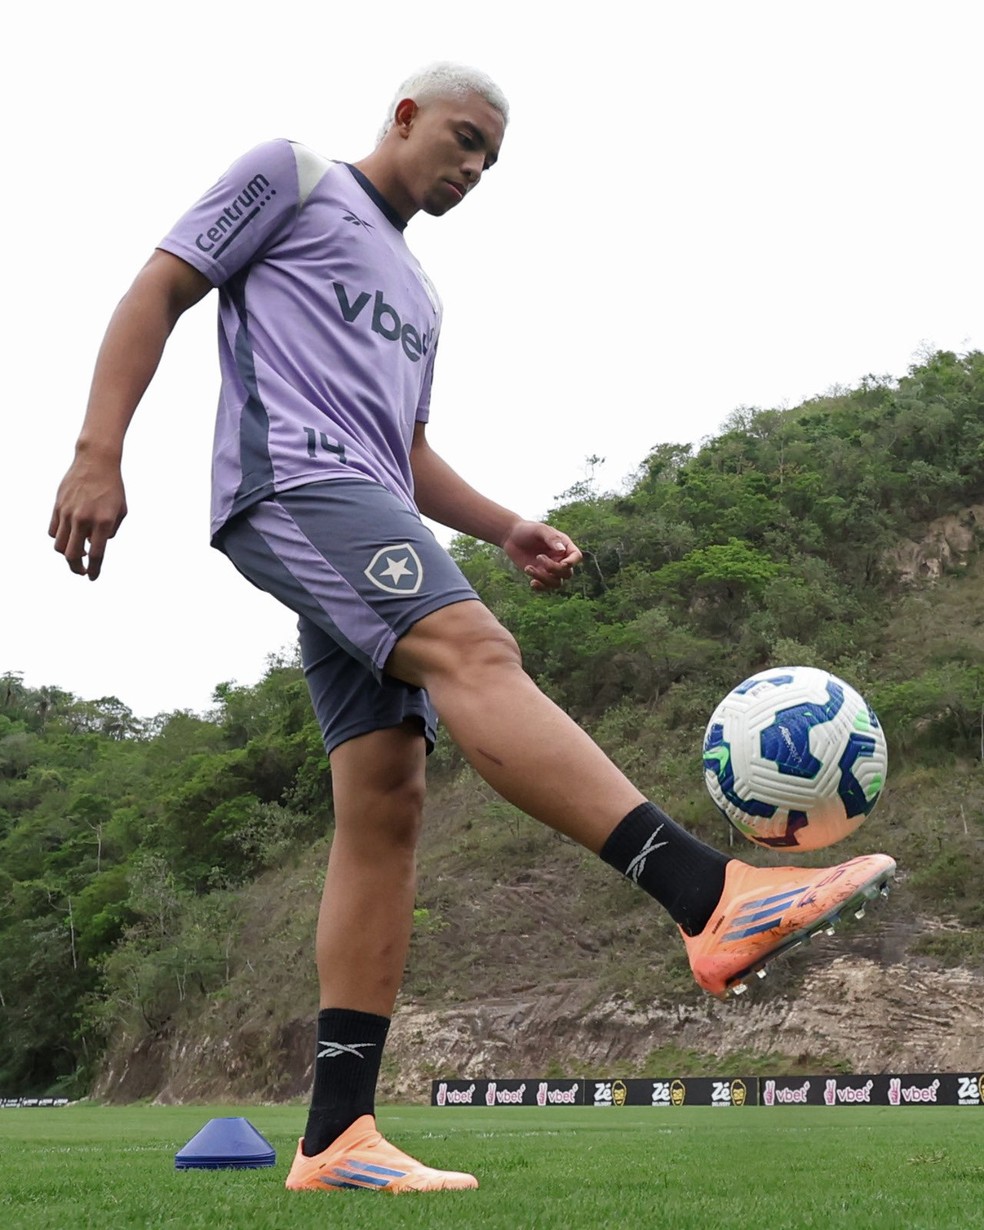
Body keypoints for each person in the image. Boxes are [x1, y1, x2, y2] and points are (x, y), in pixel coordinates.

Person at [50, 62, 895, 1194]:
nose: (474, 168)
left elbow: (404, 449)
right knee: (475, 651)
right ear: (404, 116)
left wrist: (505, 526)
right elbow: (159, 288)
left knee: (387, 804)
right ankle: (710, 896)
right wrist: (99, 449)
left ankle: (337, 1136)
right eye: (463, 138)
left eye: (491, 159)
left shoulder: (421, 294)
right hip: (294, 489)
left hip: (374, 502)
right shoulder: (291, 178)